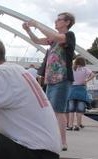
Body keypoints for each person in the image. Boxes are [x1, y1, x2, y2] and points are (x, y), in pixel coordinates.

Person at [22, 12, 76, 151]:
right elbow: (36, 41)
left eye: (59, 20)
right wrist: (28, 30)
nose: (56, 22)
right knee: (52, 111)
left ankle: (63, 142)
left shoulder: (69, 36)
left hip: (62, 78)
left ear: (67, 22)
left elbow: (55, 36)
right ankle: (54, 139)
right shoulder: (52, 40)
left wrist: (37, 24)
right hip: (51, 79)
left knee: (59, 111)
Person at [67, 56, 96, 131]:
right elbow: (93, 75)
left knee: (71, 110)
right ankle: (78, 126)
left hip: (72, 90)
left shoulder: (72, 68)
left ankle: (70, 126)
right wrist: (86, 80)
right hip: (81, 90)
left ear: (76, 61)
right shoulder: (85, 69)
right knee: (79, 110)